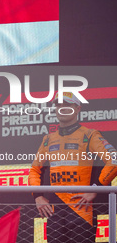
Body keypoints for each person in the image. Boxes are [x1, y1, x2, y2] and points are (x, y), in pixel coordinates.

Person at [28, 92, 117, 242]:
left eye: (67, 105)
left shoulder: (89, 135)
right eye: (58, 105)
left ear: (77, 108)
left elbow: (114, 160)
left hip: (82, 210)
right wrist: (37, 196)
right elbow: (34, 170)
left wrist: (95, 189)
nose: (62, 108)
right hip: (54, 211)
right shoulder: (48, 139)